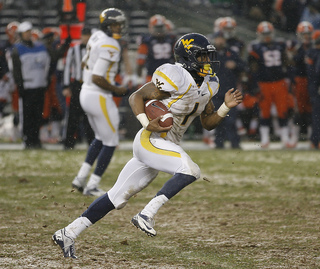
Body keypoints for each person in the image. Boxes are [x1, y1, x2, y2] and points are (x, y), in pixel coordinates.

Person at [52, 32, 243, 258]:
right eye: (202, 57)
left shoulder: (211, 84)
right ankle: (146, 214)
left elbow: (208, 123)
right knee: (190, 170)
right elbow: (136, 97)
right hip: (151, 140)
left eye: (208, 56)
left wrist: (225, 107)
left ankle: (68, 233)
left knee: (117, 197)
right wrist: (146, 123)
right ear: (188, 57)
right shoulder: (176, 75)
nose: (207, 62)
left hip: (165, 146)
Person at [70, 8, 130, 196]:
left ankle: (80, 178)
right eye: (115, 24)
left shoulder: (95, 36)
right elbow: (98, 77)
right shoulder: (110, 44)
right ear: (106, 25)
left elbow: (84, 65)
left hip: (86, 92)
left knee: (100, 138)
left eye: (120, 24)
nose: (119, 27)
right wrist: (117, 89)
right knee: (111, 142)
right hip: (98, 94)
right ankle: (92, 185)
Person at [247, 21, 292, 149]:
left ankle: (285, 138)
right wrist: (254, 84)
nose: (267, 36)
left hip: (279, 82)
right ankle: (265, 139)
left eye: (268, 33)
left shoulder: (280, 44)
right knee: (264, 111)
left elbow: (286, 62)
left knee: (282, 110)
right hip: (264, 83)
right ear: (259, 34)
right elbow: (253, 68)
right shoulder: (255, 47)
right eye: (264, 33)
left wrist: (289, 77)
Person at [11, 21, 51, 149]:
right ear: (21, 34)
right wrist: (20, 85)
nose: (28, 34)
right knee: (27, 116)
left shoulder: (40, 46)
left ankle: (36, 140)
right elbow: (16, 70)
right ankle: (28, 140)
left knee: (37, 115)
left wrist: (46, 80)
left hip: (39, 85)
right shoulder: (17, 49)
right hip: (27, 87)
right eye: (26, 32)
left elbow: (48, 64)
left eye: (29, 32)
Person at [62, 27, 95, 149]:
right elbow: (67, 68)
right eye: (84, 35)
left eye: (88, 35)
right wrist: (66, 86)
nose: (86, 38)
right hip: (77, 84)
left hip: (90, 84)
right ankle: (69, 143)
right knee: (73, 115)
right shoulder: (74, 49)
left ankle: (91, 142)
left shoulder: (94, 49)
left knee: (89, 115)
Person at [288, 21, 313, 147]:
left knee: (310, 109)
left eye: (308, 34)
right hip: (299, 80)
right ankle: (295, 137)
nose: (307, 36)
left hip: (312, 79)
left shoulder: (314, 45)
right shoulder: (295, 45)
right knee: (298, 109)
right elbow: (292, 62)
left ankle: (311, 138)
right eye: (304, 34)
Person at [136, 14, 177, 84]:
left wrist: (138, 73)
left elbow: (140, 62)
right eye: (157, 28)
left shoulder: (147, 40)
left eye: (161, 28)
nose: (159, 30)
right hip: (163, 75)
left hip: (159, 75)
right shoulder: (171, 38)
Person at [305, 30, 320, 149]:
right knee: (316, 115)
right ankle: (315, 140)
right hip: (316, 86)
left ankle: (314, 141)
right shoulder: (312, 53)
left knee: (316, 115)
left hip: (314, 86)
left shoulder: (311, 52)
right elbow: (313, 73)